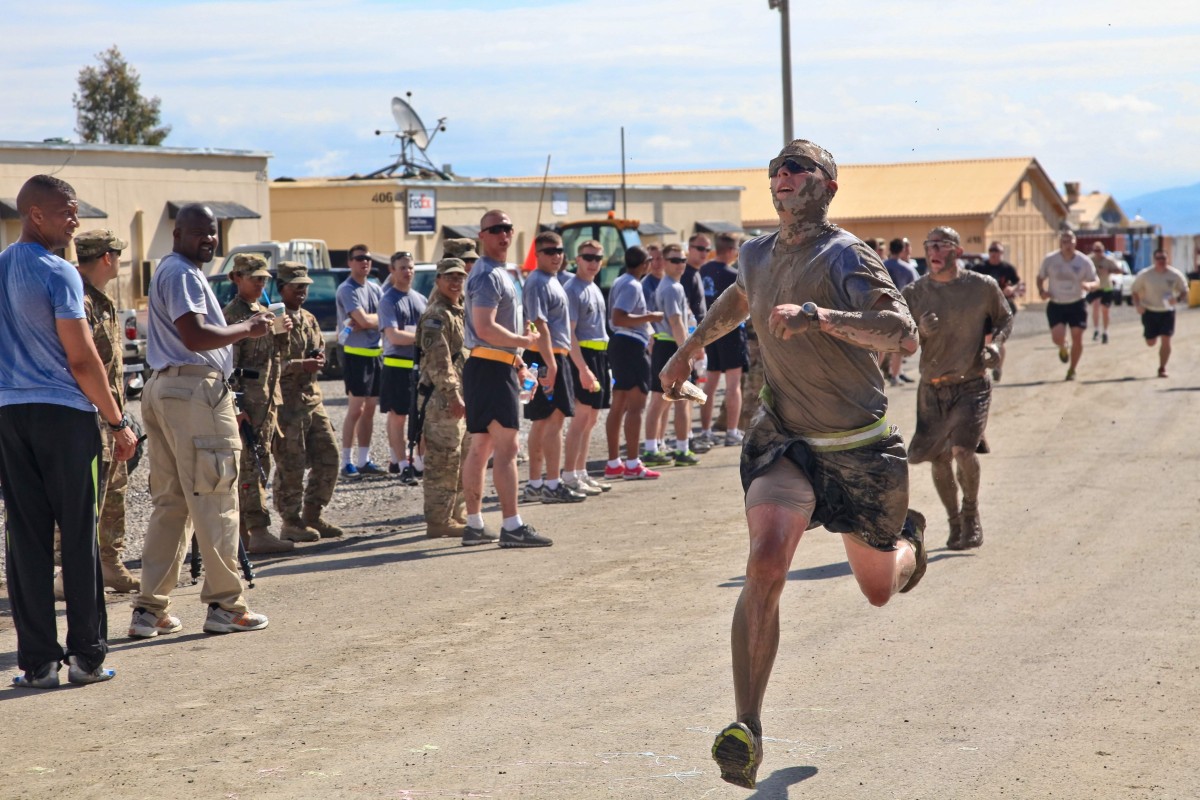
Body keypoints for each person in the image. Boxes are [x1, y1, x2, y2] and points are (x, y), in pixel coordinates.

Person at [658, 140, 926, 789]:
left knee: (879, 583)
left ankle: (912, 546)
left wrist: (820, 317)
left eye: (798, 168)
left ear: (828, 186)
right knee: (765, 560)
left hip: (859, 445)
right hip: (787, 440)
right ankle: (746, 726)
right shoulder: (755, 252)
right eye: (778, 167)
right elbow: (738, 297)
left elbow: (903, 331)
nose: (784, 175)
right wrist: (688, 348)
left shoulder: (846, 255)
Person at [1, 175, 136, 688]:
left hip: (10, 415)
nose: (76, 221)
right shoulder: (59, 272)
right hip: (64, 417)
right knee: (78, 537)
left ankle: (37, 665)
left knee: (26, 540)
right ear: (36, 214)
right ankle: (87, 657)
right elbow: (81, 359)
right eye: (68, 212)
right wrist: (119, 422)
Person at [131, 203, 273, 639]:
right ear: (177, 234)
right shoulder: (184, 274)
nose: (208, 240)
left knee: (172, 503)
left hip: (166, 388)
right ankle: (226, 605)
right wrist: (248, 329)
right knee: (214, 498)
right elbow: (194, 335)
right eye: (199, 233)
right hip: (193, 389)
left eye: (213, 233)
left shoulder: (172, 271)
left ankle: (150, 609)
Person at [903, 227, 1012, 549]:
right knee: (939, 460)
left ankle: (971, 513)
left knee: (963, 451)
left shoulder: (982, 287)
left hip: (972, 384)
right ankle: (953, 521)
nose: (933, 251)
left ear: (958, 252)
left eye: (941, 245)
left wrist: (996, 346)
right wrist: (918, 330)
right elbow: (899, 337)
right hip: (932, 389)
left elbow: (1005, 319)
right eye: (929, 245)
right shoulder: (914, 292)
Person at [460, 210, 549, 547]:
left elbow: (489, 331)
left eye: (508, 228)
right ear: (481, 235)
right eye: (495, 229)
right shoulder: (488, 275)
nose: (503, 234)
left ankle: (474, 524)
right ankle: (511, 525)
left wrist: (518, 360)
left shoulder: (498, 273)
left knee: (481, 446)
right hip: (491, 368)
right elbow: (485, 327)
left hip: (493, 365)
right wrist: (523, 342)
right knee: (506, 447)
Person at [73, 228, 140, 592]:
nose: (120, 259)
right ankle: (69, 574)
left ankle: (109, 563)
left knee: (115, 489)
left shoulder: (103, 299)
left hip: (112, 412)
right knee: (86, 495)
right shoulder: (78, 300)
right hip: (87, 413)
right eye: (117, 253)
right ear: (106, 258)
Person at [223, 254, 297, 553]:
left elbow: (278, 358)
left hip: (266, 402)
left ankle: (247, 532)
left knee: (260, 462)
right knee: (249, 467)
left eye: (263, 278)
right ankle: (256, 530)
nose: (260, 283)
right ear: (236, 278)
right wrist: (237, 407)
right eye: (254, 277)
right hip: (247, 406)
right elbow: (228, 366)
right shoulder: (233, 316)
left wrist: (284, 332)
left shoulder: (264, 312)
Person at [272, 261, 345, 541]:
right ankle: (290, 521)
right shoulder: (276, 320)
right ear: (282, 289)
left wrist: (317, 360)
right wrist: (299, 366)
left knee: (329, 456)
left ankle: (312, 514)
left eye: (305, 286)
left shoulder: (310, 318)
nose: (302, 291)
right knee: (291, 463)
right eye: (296, 286)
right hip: (288, 404)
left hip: (313, 400)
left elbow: (318, 349)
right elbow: (270, 364)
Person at [520, 231, 586, 504]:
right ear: (538, 254)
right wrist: (550, 363)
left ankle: (536, 483)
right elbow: (539, 323)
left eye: (559, 251)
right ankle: (551, 482)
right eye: (549, 251)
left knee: (544, 419)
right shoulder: (537, 281)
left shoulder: (553, 280)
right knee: (552, 419)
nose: (556, 256)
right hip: (545, 356)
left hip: (551, 355)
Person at [416, 258, 473, 540]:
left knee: (462, 458)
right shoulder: (436, 315)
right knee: (443, 462)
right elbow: (439, 363)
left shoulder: (459, 311)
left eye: (460, 277)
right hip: (442, 401)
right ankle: (438, 520)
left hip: (460, 396)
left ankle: (455, 514)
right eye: (449, 277)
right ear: (438, 280)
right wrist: (454, 396)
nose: (455, 282)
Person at [604, 245, 664, 481]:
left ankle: (614, 463)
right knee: (636, 405)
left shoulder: (621, 281)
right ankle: (632, 463)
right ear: (645, 264)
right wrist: (651, 316)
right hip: (630, 345)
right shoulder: (632, 284)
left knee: (618, 403)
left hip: (620, 345)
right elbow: (619, 317)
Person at [562, 239, 612, 496]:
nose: (593, 263)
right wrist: (582, 368)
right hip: (584, 355)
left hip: (599, 355)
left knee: (591, 419)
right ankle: (569, 474)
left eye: (598, 258)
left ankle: (581, 472)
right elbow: (569, 335)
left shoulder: (593, 287)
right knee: (581, 418)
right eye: (588, 257)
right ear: (577, 259)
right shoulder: (573, 289)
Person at [646, 244, 701, 467]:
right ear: (665, 262)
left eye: (682, 260)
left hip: (668, 345)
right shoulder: (672, 288)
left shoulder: (670, 286)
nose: (680, 265)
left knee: (666, 401)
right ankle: (678, 449)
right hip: (670, 346)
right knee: (670, 401)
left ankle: (657, 447)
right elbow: (676, 322)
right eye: (675, 260)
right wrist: (684, 354)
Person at [378, 251, 428, 481]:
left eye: (410, 267)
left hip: (420, 365)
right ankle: (400, 462)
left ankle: (419, 462)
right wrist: (423, 337)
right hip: (396, 366)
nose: (407, 272)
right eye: (402, 268)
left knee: (423, 416)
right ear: (392, 270)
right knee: (398, 417)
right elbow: (394, 336)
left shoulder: (421, 299)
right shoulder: (388, 300)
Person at [336, 243, 385, 477]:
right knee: (356, 409)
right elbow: (365, 321)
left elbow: (380, 318)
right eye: (358, 258)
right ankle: (346, 461)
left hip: (375, 354)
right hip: (355, 355)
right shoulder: (347, 289)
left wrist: (370, 319)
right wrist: (372, 320)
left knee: (370, 409)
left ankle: (364, 459)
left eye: (367, 258)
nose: (364, 262)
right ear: (349, 262)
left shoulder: (375, 288)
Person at [698, 232, 749, 447]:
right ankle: (731, 431)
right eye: (736, 249)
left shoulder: (703, 271)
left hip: (709, 331)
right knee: (733, 384)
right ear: (730, 251)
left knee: (709, 383)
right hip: (731, 331)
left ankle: (706, 430)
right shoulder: (734, 275)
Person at [1036, 230, 1098, 381]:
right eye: (1064, 242)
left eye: (1070, 241)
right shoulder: (1050, 259)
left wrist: (1089, 285)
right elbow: (1040, 277)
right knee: (1057, 337)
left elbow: (1096, 281)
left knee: (1077, 337)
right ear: (1060, 243)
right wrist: (1042, 291)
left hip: (1077, 303)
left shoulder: (1084, 261)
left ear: (1075, 242)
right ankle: (1063, 346)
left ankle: (1072, 369)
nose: (1067, 245)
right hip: (1057, 304)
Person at [1131, 249, 1188, 378]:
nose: (1161, 261)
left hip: (1167, 311)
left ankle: (1162, 368)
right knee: (1150, 342)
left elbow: (1184, 290)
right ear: (1154, 260)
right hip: (1149, 311)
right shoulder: (1145, 275)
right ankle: (1151, 336)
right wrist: (1138, 305)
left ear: (1167, 259)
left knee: (1166, 339)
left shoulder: (1174, 275)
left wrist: (1177, 298)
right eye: (1158, 258)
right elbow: (1134, 291)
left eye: (1163, 258)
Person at [970, 242, 1023, 381]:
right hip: (984, 307)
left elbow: (1019, 283)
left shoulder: (1007, 268)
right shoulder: (980, 267)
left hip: (1003, 307)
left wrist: (1013, 289)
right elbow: (968, 282)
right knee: (983, 340)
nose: (993, 253)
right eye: (991, 250)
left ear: (1001, 253)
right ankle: (982, 368)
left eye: (997, 251)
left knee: (998, 338)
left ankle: (998, 367)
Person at [882, 238, 920, 386]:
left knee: (880, 345)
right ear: (902, 250)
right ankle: (895, 375)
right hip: (900, 310)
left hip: (880, 308)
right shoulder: (908, 268)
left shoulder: (881, 265)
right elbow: (916, 289)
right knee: (898, 347)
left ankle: (878, 374)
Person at [1087, 242, 1121, 344]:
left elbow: (1119, 270)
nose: (1098, 253)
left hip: (1106, 287)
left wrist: (1108, 271)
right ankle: (1096, 330)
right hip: (1095, 287)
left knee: (1105, 310)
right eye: (1096, 250)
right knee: (1096, 307)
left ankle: (1105, 332)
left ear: (1103, 250)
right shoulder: (1089, 260)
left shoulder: (1109, 260)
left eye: (1100, 250)